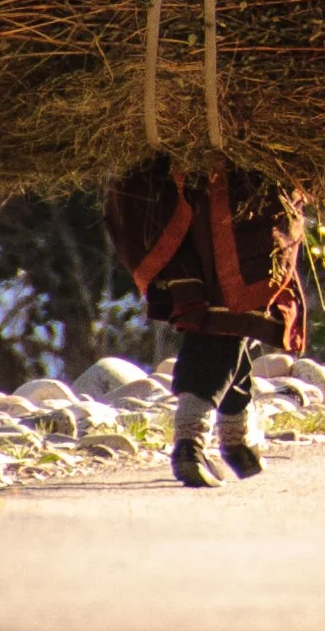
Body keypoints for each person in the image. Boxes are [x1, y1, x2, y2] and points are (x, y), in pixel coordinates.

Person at [104, 155, 306, 488]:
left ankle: (238, 437)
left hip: (174, 188)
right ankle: (190, 443)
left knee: (224, 316)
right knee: (232, 313)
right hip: (236, 194)